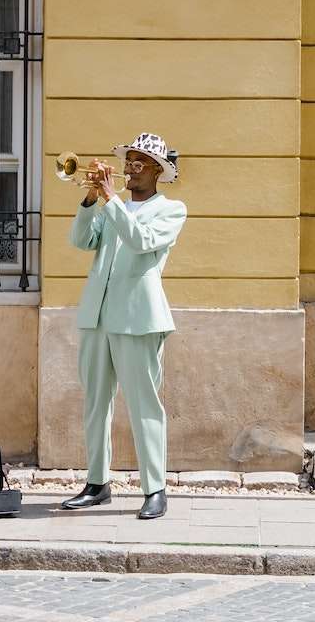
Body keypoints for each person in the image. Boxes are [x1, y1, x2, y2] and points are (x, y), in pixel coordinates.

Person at [59, 133, 186, 520]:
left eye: (139, 162)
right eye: (128, 160)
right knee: (95, 403)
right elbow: (81, 241)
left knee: (144, 404)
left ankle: (155, 489)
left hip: (138, 319)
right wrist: (89, 200)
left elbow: (141, 241)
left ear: (157, 172)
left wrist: (112, 200)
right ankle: (97, 484)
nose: (130, 167)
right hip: (97, 316)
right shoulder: (111, 207)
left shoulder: (172, 209)